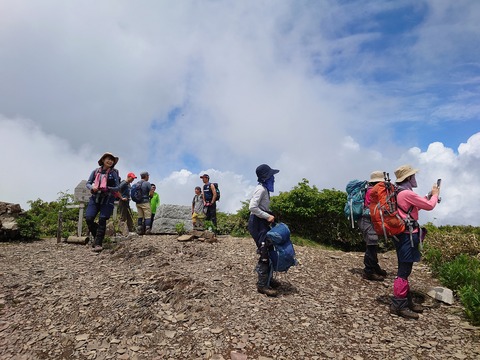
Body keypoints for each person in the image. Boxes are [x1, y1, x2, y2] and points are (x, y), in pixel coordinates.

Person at [390, 164, 439, 319]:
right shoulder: (406, 193)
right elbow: (430, 206)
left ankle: (406, 300)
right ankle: (399, 305)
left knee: (405, 268)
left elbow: (416, 206)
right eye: (413, 175)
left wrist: (429, 195)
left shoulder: (400, 191)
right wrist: (436, 195)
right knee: (403, 271)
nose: (415, 178)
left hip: (402, 234)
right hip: (407, 235)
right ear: (408, 178)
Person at [248, 164, 280, 297]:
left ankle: (268, 278)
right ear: (266, 177)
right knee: (264, 250)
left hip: (261, 222)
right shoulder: (260, 189)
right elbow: (252, 207)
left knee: (269, 248)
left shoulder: (265, 190)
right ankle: (262, 285)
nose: (273, 178)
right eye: (271, 176)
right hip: (257, 223)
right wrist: (268, 216)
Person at [85, 152, 121, 252]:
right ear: (103, 160)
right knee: (89, 218)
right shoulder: (96, 171)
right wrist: (93, 187)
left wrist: (107, 188)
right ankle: (98, 236)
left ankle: (98, 244)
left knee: (102, 219)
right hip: (95, 198)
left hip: (108, 199)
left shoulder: (114, 173)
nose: (110, 161)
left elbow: (118, 187)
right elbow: (88, 183)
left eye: (112, 160)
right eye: (108, 159)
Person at [358, 171, 388, 281]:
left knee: (373, 244)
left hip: (367, 219)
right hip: (367, 219)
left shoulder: (369, 189)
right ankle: (368, 271)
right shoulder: (373, 191)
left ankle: (375, 267)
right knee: (371, 244)